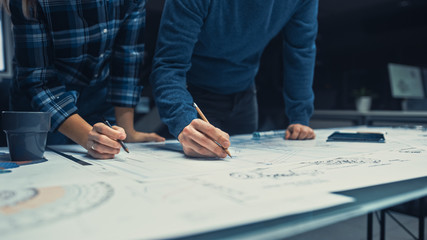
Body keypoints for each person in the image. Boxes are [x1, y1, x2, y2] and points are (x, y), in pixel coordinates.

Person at [150, 0, 318, 158]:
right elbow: (169, 65)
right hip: (192, 95)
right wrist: (182, 119)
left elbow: (301, 51)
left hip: (245, 90)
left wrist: (300, 118)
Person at [3, 0, 165, 159]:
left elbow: (127, 59)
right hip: (43, 103)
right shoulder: (30, 3)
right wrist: (87, 136)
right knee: (50, 171)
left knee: (108, 163)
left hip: (99, 93)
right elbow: (38, 80)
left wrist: (127, 131)